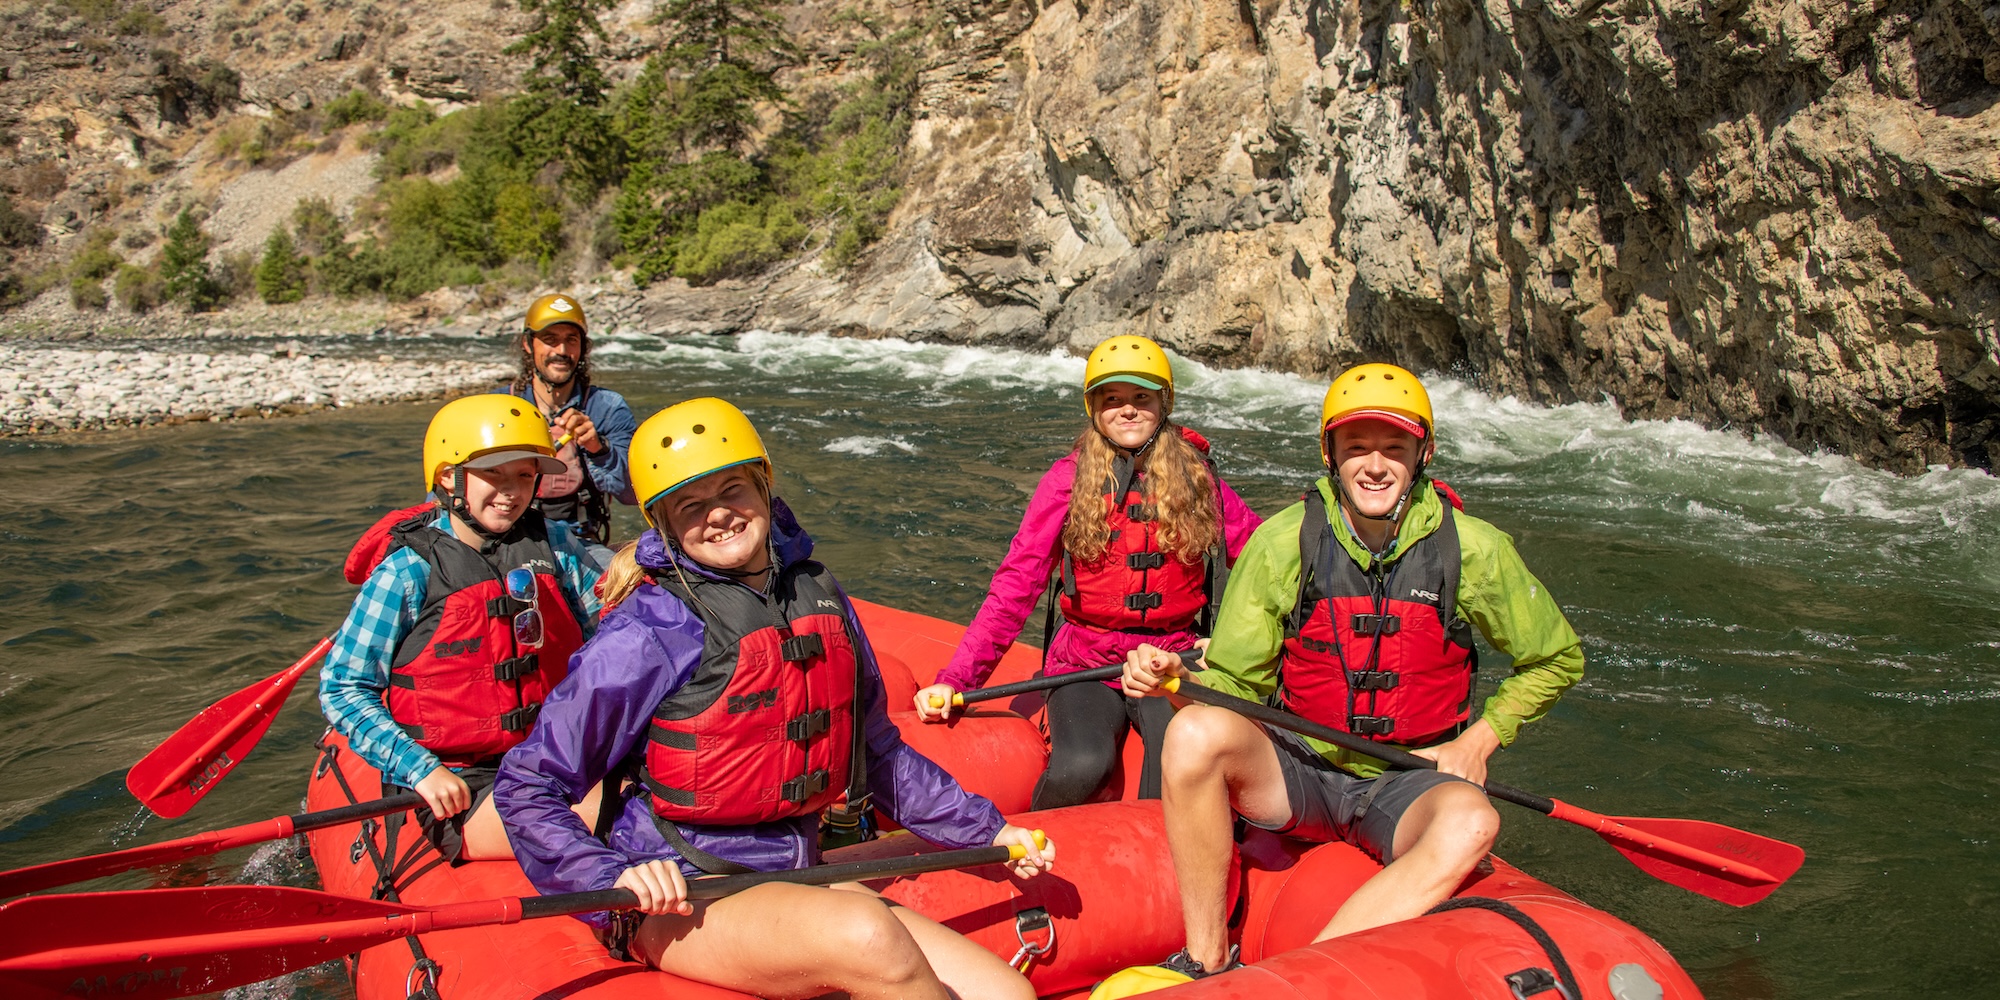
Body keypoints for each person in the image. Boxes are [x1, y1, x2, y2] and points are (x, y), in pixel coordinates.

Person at [495, 397, 1054, 1000]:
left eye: (731, 489)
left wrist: (986, 831)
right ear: (663, 524)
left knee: (1005, 994)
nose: (718, 515)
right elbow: (527, 786)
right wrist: (607, 876)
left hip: (794, 870)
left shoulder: (817, 594)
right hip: (684, 892)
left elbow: (876, 752)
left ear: (764, 486)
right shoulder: (649, 631)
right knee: (867, 933)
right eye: (690, 505)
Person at [1121, 363, 1585, 982]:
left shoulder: (1472, 550)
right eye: (1356, 447)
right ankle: (1206, 959)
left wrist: (1481, 738)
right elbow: (1234, 685)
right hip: (1303, 768)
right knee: (1193, 732)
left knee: (1475, 820)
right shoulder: (1286, 541)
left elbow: (1556, 658)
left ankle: (1300, 978)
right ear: (1330, 454)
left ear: (1423, 453)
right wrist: (1180, 678)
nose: (1375, 465)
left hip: (1407, 778)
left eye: (1394, 448)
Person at [914, 335, 1261, 809]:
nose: (1128, 410)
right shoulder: (1066, 481)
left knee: (1175, 761)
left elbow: (1263, 564)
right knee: (1083, 765)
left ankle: (1161, 869)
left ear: (1165, 402)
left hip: (1172, 660)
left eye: (1142, 397)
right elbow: (1016, 587)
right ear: (1093, 407)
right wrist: (957, 680)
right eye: (1112, 399)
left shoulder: (1201, 478)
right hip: (1086, 664)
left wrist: (1225, 648)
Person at [322, 393, 603, 862]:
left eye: (525, 474)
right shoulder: (408, 572)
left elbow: (611, 637)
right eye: (494, 474)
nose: (512, 491)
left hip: (553, 754)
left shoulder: (556, 546)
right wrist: (420, 769)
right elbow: (344, 688)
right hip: (460, 784)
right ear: (448, 477)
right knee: (619, 813)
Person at [506, 292, 639, 570]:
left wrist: (598, 448)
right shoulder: (499, 407)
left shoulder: (607, 407)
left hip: (581, 542)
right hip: (509, 539)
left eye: (571, 340)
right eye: (550, 340)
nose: (562, 351)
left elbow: (633, 493)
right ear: (528, 345)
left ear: (582, 348)